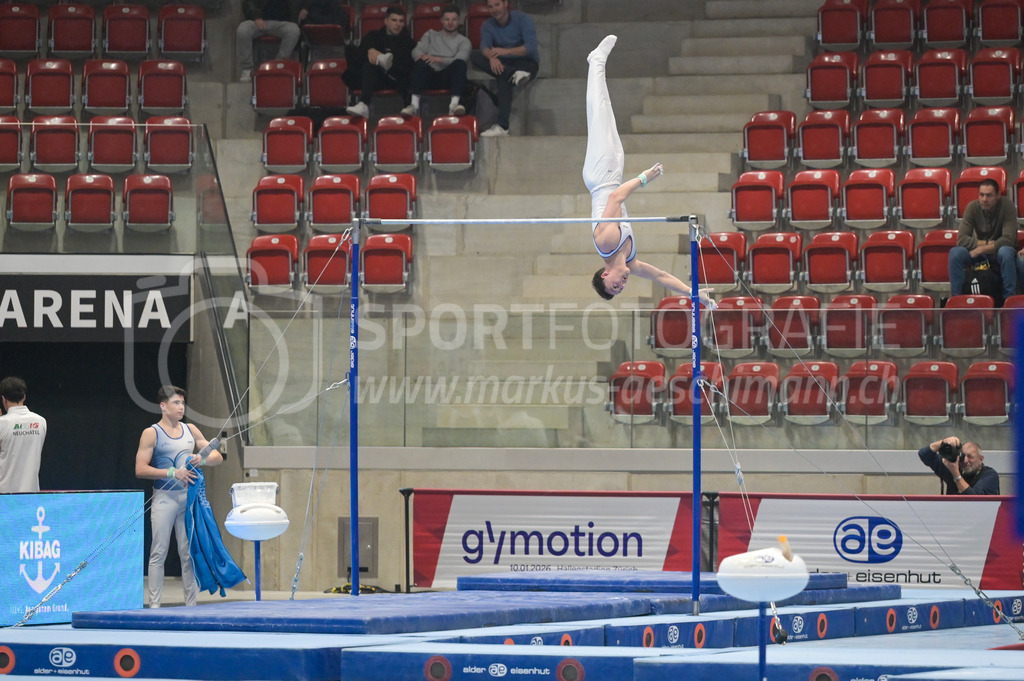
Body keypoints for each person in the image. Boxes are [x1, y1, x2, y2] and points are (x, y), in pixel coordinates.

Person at [585, 36, 714, 305]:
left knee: (600, 113)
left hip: (602, 178)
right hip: (612, 175)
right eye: (619, 290)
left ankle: (596, 62)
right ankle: (597, 64)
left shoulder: (607, 244)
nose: (620, 286)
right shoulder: (630, 258)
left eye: (613, 285)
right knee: (605, 113)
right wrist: (693, 293)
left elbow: (615, 199)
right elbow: (661, 276)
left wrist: (644, 178)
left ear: (605, 273)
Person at [135, 385, 224, 607]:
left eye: (183, 403)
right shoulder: (151, 433)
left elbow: (217, 457)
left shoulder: (191, 430)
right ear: (163, 406)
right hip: (164, 498)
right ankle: (155, 604)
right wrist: (171, 472)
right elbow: (140, 469)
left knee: (187, 552)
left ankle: (191, 604)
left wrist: (201, 460)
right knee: (159, 551)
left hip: (187, 499)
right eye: (176, 403)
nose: (181, 407)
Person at [470, 0, 539, 137]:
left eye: (497, 5)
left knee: (502, 75)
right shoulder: (487, 25)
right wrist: (492, 57)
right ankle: (513, 75)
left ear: (505, 4)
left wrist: (504, 51)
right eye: (491, 6)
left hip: (525, 62)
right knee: (476, 56)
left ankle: (502, 126)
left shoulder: (523, 19)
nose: (494, 9)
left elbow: (530, 48)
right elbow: (484, 47)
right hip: (504, 63)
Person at [947, 178, 1017, 303]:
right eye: (982, 195)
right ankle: (956, 300)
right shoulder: (972, 207)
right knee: (955, 253)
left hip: (998, 253)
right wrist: (985, 245)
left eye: (989, 195)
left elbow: (1009, 239)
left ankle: (1008, 300)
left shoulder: (1007, 206)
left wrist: (983, 248)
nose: (984, 199)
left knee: (1006, 252)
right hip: (981, 252)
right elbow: (961, 239)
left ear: (998, 195)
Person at [343, 5, 415, 118]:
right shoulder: (373, 36)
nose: (397, 24)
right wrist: (371, 51)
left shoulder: (408, 42)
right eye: (394, 20)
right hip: (375, 79)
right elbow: (359, 57)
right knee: (369, 64)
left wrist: (381, 56)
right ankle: (363, 105)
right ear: (386, 21)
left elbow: (407, 67)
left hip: (397, 80)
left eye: (401, 21)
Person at [401, 4, 471, 117]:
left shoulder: (464, 41)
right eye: (447, 19)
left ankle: (454, 105)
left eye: (454, 19)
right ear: (442, 21)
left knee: (460, 65)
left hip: (448, 76)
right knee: (420, 63)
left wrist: (438, 59)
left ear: (459, 21)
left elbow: (461, 59)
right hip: (429, 75)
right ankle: (414, 105)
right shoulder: (430, 34)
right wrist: (422, 56)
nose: (450, 22)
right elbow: (416, 51)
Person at [0, 377, 47, 494]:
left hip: (5, 497)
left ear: (4, 399)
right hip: (31, 494)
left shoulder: (2, 424)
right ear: (24, 397)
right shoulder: (41, 421)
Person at [237, 0, 301, 82]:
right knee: (243, 30)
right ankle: (247, 68)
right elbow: (248, 3)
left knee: (294, 30)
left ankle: (279, 63)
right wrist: (256, 17)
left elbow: (295, 6)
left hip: (281, 23)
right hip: (258, 21)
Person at [918, 436, 1000, 495]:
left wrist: (956, 474)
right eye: (963, 456)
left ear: (981, 459)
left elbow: (974, 499)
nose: (965, 461)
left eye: (970, 457)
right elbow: (924, 454)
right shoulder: (954, 466)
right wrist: (943, 442)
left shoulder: (990, 475)